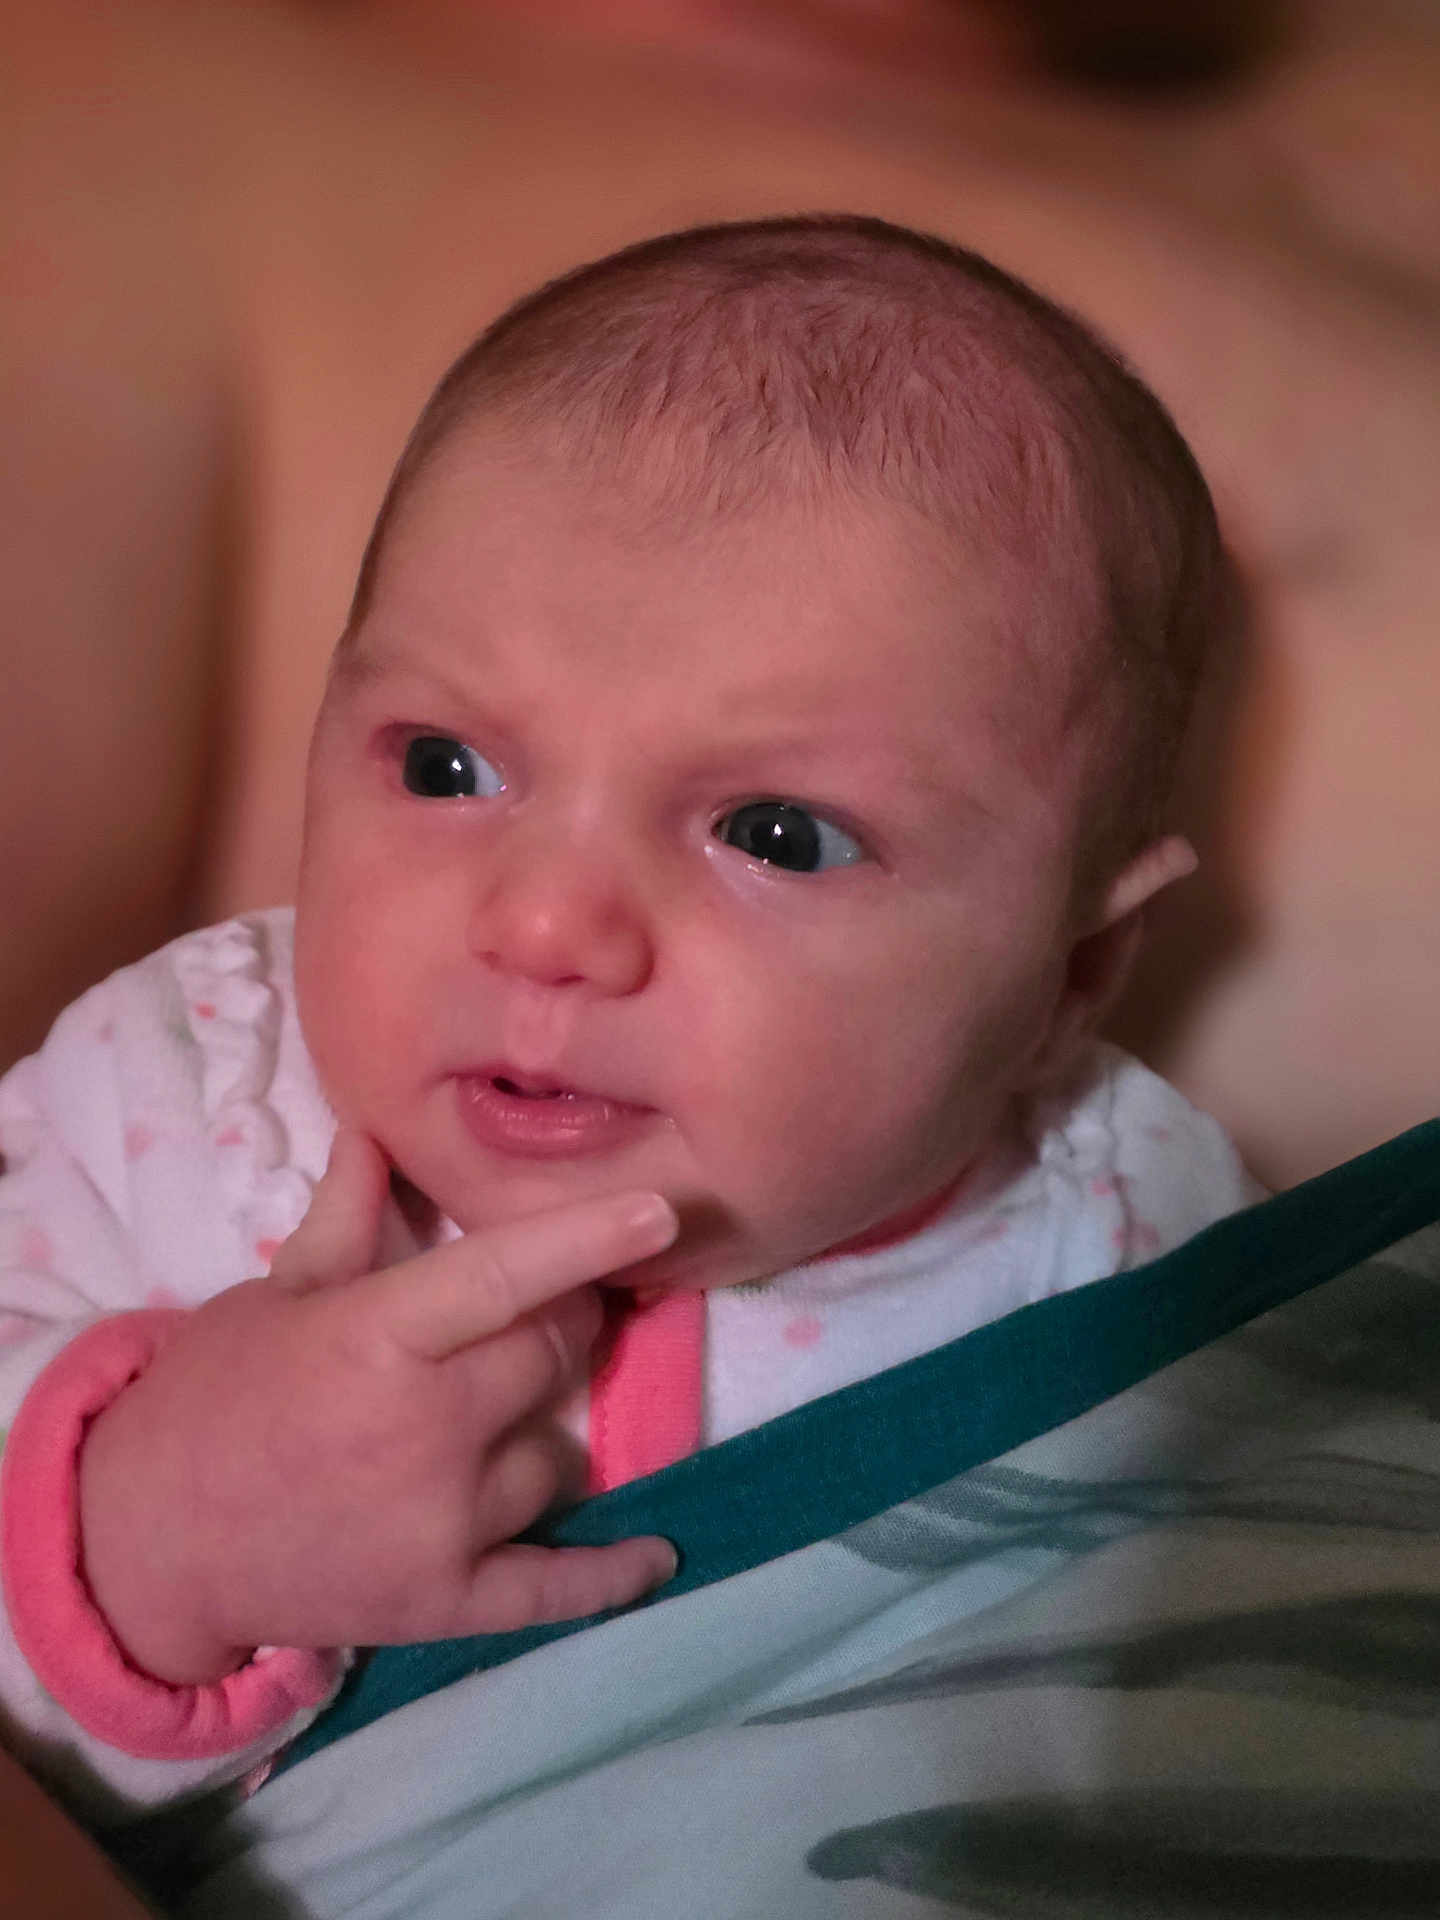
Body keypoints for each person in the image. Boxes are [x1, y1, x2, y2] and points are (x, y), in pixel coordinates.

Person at [0, 217, 1256, 1838]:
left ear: (1074, 970)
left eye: (776, 834)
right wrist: (162, 1527)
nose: (544, 927)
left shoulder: (1141, 1261)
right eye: (446, 767)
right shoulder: (181, 1093)